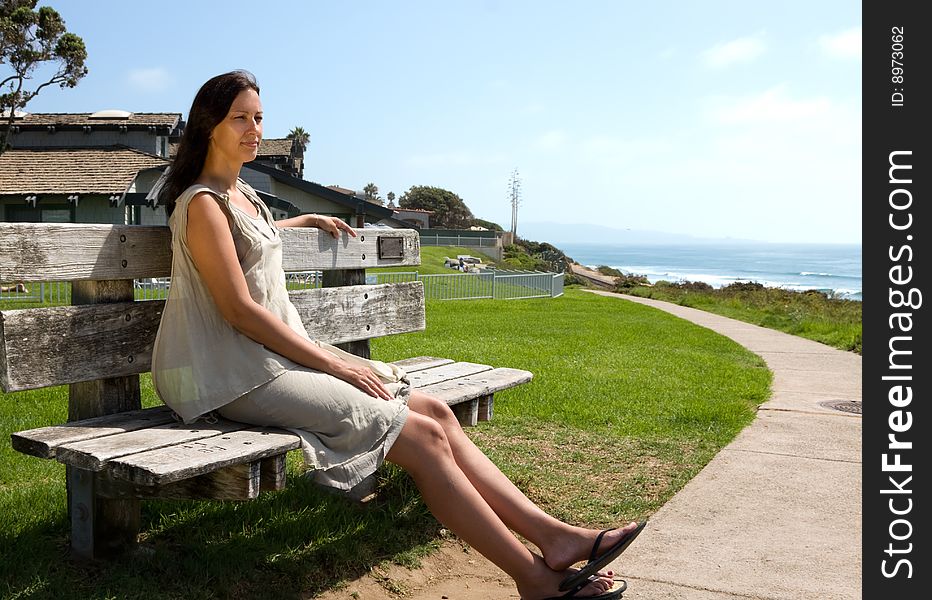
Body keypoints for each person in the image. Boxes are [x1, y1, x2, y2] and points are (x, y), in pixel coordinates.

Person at [151, 70, 644, 600]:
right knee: (422, 436)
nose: (254, 128)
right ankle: (534, 580)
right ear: (209, 127)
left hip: (268, 363)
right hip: (234, 374)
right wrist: (335, 362)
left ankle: (558, 538)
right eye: (240, 119)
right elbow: (240, 310)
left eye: (259, 117)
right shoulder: (202, 203)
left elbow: (252, 242)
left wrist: (308, 220)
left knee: (434, 412)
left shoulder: (243, 195)